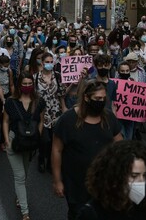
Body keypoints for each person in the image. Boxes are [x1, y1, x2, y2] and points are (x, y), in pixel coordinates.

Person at [52, 79, 123, 219]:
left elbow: (120, 145)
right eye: (97, 98)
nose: (101, 101)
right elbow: (57, 150)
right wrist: (57, 180)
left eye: (103, 98)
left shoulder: (109, 117)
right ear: (86, 97)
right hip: (76, 184)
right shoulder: (68, 120)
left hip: (103, 182)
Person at [77, 140, 146, 220]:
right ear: (116, 175)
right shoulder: (92, 213)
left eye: (144, 175)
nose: (141, 181)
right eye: (134, 176)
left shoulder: (143, 207)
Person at [3, 74, 45, 220]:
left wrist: (38, 137)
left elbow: (41, 121)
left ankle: (19, 197)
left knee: (24, 174)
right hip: (15, 142)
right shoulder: (10, 102)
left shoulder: (39, 102)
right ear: (19, 85)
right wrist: (7, 139)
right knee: (20, 176)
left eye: (29, 83)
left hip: (31, 143)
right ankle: (25, 213)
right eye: (24, 83)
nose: (27, 85)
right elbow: (5, 121)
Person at [35, 52, 65, 171]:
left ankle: (50, 162)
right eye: (46, 62)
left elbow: (61, 93)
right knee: (44, 139)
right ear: (42, 63)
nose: (49, 64)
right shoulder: (35, 77)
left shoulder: (57, 76)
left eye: (51, 62)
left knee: (54, 139)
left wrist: (63, 107)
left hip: (55, 111)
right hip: (42, 112)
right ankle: (41, 157)